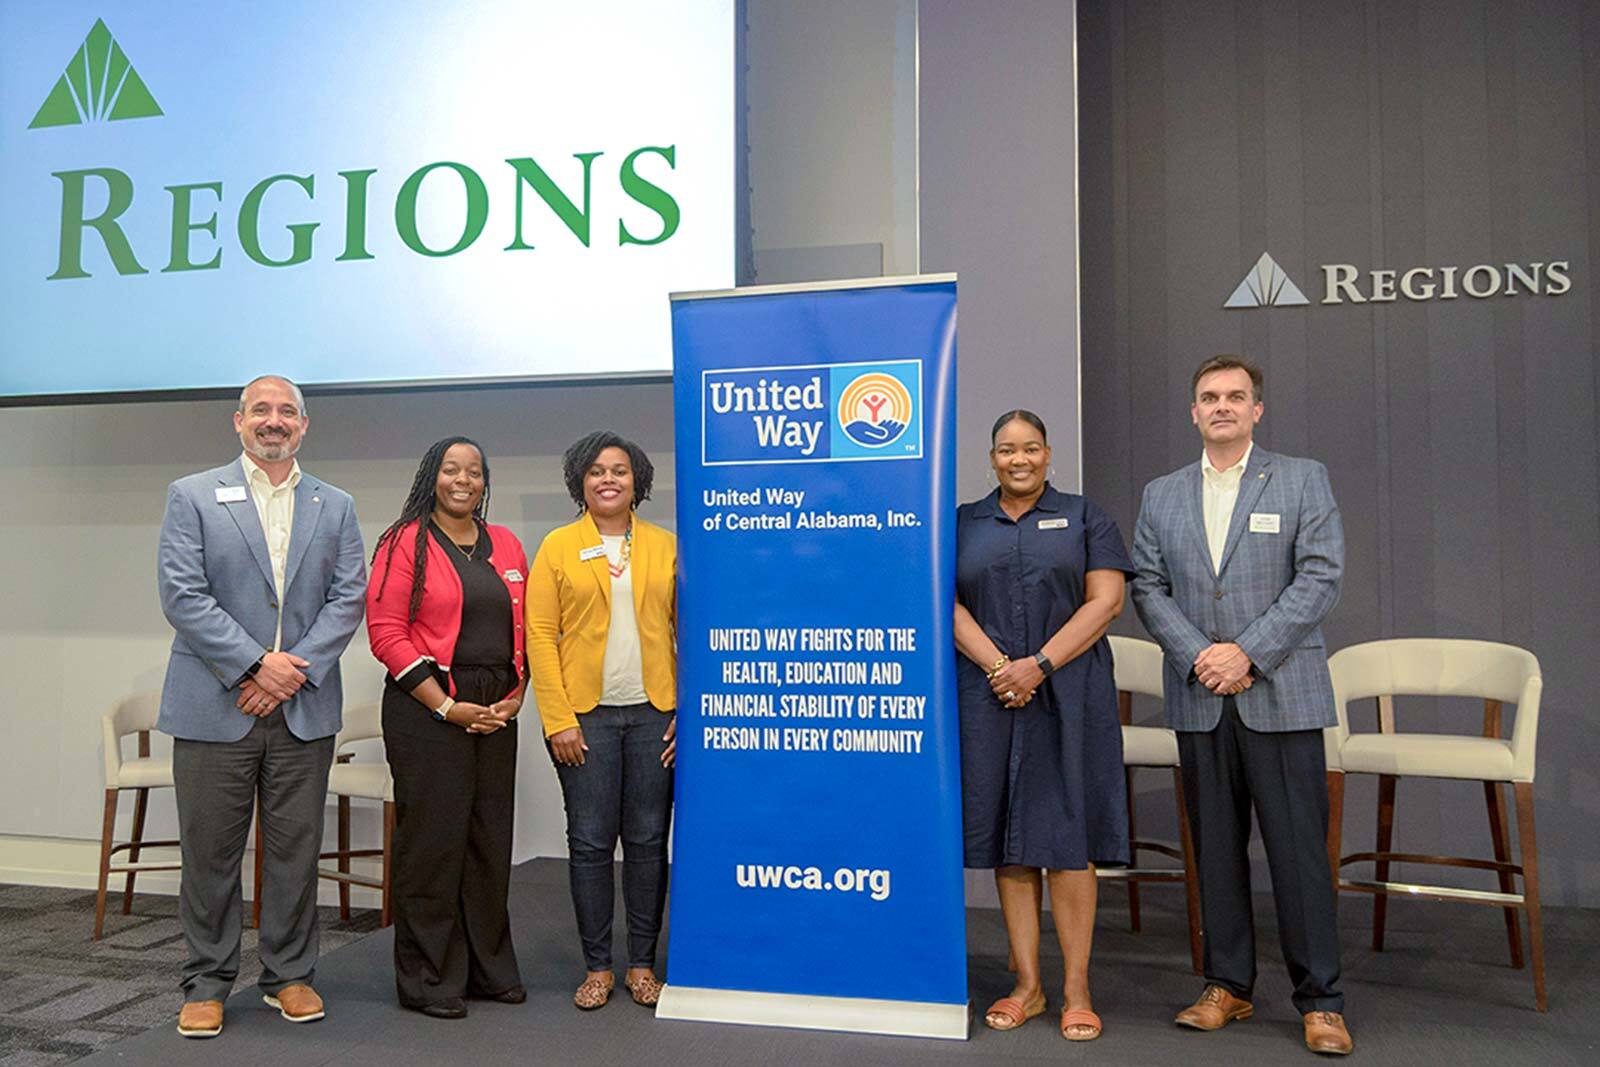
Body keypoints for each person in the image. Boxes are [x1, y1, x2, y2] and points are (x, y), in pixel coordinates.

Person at [1129, 356, 1352, 1056]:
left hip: (1279, 694)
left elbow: (1321, 576)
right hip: (1201, 697)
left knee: (1298, 856)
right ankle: (1227, 984)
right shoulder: (1160, 494)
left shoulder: (1300, 477)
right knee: (1216, 852)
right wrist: (1202, 654)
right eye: (1208, 397)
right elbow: (1147, 585)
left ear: (1258, 408)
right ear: (1193, 412)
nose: (1221, 406)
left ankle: (1321, 999)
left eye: (1235, 396)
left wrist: (1246, 652)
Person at [156, 374, 366, 1038]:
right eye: (261, 411)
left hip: (301, 708)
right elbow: (182, 594)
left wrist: (286, 676)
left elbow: (348, 597)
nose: (273, 422)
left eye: (287, 412)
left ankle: (289, 975)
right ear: (237, 420)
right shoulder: (191, 494)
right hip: (215, 705)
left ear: (305, 426)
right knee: (211, 852)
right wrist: (254, 664)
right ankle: (207, 981)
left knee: (294, 849)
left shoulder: (336, 504)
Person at [954, 410, 1133, 1042]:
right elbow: (941, 602)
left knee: (1067, 836)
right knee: (1011, 836)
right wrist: (1002, 667)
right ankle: (1027, 985)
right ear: (992, 458)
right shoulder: (964, 522)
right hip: (988, 695)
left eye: (1030, 448)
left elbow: (1106, 600)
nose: (1019, 458)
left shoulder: (1087, 516)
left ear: (1048, 454)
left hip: (1071, 693)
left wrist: (1041, 664)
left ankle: (1076, 987)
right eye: (1006, 449)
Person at [366, 437, 528, 1019]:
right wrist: (444, 705)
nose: (464, 480)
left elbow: (524, 626)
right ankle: (429, 978)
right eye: (451, 469)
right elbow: (386, 632)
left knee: (488, 841)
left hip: (494, 709)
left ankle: (487, 969)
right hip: (426, 706)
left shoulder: (505, 542)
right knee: (433, 844)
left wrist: (513, 698)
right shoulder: (402, 541)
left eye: (475, 471)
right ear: (430, 477)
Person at [526, 430, 677, 1011]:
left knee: (646, 841)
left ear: (637, 480)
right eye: (595, 471)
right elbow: (540, 634)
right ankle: (597, 967)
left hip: (653, 716)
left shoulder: (667, 546)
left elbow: (688, 629)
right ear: (579, 483)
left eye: (619, 470)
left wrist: (685, 709)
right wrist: (557, 718)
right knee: (589, 844)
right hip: (583, 718)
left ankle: (641, 965)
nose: (607, 479)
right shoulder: (558, 546)